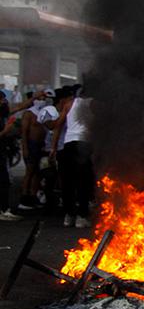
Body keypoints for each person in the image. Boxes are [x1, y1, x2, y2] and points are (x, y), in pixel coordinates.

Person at [51, 85, 94, 229]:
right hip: (84, 144)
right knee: (84, 182)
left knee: (67, 181)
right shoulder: (94, 104)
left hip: (68, 144)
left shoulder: (69, 104)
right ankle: (81, 216)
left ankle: (68, 216)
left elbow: (58, 125)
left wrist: (53, 147)